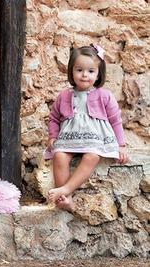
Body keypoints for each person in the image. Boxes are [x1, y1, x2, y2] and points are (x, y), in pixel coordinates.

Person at [45, 44, 128, 211]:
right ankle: (65, 200)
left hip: (94, 138)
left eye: (91, 71)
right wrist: (53, 136)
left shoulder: (105, 95)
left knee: (92, 156)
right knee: (59, 156)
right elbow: (54, 118)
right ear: (72, 71)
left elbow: (115, 120)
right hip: (70, 137)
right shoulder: (64, 95)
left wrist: (121, 145)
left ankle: (65, 189)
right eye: (79, 70)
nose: (84, 75)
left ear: (98, 75)